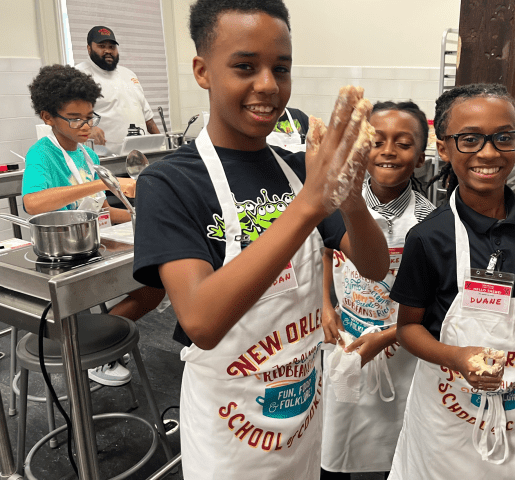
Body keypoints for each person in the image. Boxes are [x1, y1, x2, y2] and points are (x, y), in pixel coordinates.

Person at [131, 1, 389, 478]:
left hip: (301, 415)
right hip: (231, 431)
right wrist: (310, 204)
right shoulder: (168, 183)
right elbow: (203, 321)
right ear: (203, 71)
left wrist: (351, 199)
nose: (269, 85)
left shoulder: (294, 169)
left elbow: (373, 267)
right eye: (245, 67)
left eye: (281, 68)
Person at [388, 83, 515, 479]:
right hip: (445, 420)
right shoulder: (428, 238)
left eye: (503, 137)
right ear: (443, 147)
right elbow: (408, 329)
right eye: (469, 139)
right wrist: (457, 357)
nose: (489, 153)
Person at [23, 64, 165, 386]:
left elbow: (100, 212)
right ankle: (93, 350)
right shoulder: (42, 155)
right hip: (64, 257)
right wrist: (103, 185)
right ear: (48, 117)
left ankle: (103, 339)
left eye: (89, 117)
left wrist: (136, 213)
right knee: (147, 283)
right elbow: (33, 202)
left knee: (156, 282)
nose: (86, 125)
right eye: (75, 118)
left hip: (93, 245)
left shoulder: (88, 156)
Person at [320, 101, 435, 480]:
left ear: (420, 158)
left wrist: (386, 338)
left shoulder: (429, 222)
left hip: (397, 346)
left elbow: (433, 300)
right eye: (377, 140)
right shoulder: (339, 204)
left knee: (387, 435)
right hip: (346, 339)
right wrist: (326, 305)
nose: (388, 151)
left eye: (403, 143)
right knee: (337, 427)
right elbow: (327, 250)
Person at [76, 26, 160, 154]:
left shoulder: (129, 75)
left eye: (112, 47)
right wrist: (87, 127)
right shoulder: (78, 75)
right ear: (89, 48)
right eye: (102, 46)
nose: (108, 51)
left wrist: (162, 145)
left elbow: (148, 118)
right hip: (103, 159)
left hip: (140, 156)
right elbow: (65, 116)